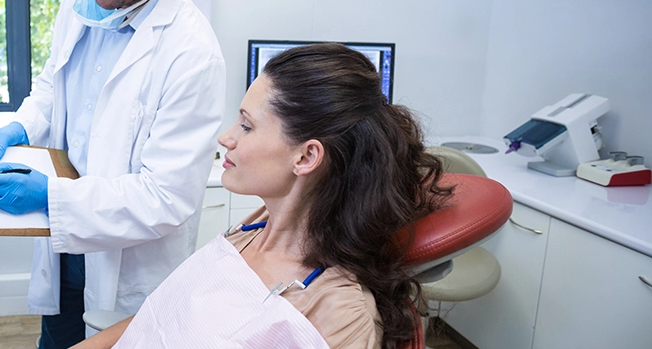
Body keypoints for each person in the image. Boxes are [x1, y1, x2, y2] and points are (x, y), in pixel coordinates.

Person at [72, 43, 455, 349]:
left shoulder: (339, 310)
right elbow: (158, 318)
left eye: (246, 124)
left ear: (306, 156)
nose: (227, 137)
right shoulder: (252, 228)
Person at [0, 0, 225, 347]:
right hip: (66, 248)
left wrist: (50, 195)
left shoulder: (193, 54)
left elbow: (165, 197)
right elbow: (53, 87)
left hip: (125, 264)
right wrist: (26, 126)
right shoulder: (81, 1)